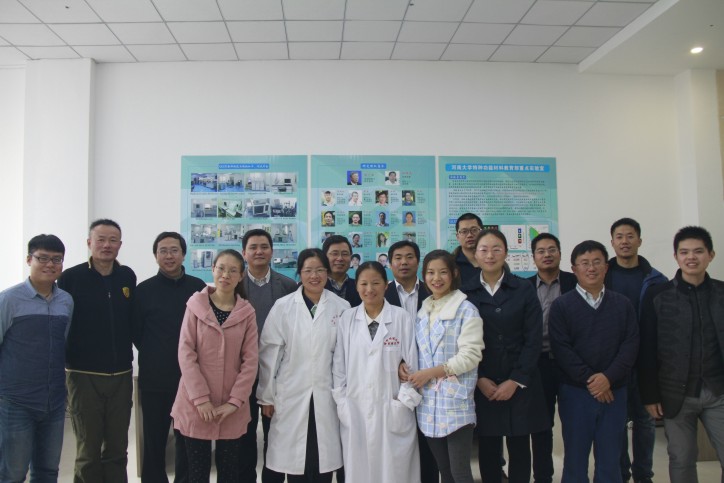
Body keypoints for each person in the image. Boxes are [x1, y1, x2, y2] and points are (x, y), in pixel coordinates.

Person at [639, 226, 724, 483]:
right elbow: (646, 347)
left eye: (698, 251)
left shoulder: (722, 292)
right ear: (675, 256)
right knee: (681, 458)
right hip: (675, 393)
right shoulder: (658, 295)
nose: (691, 257)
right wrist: (650, 395)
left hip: (718, 391)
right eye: (684, 252)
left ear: (711, 255)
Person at [549, 240, 639, 483]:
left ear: (606, 267)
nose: (591, 268)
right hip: (576, 393)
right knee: (575, 459)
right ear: (574, 269)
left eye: (597, 262)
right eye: (585, 263)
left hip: (614, 391)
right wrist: (593, 380)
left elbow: (630, 345)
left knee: (611, 458)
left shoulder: (622, 304)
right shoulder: (561, 306)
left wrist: (608, 378)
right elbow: (562, 349)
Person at [257, 249, 350, 482]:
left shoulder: (342, 307)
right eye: (308, 270)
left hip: (328, 393)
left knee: (323, 459)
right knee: (294, 461)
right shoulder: (283, 306)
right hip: (290, 392)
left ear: (327, 273)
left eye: (320, 270)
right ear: (299, 273)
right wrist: (266, 396)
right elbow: (270, 354)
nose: (314, 276)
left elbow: (348, 355)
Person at [464, 229, 549, 483]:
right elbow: (460, 343)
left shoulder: (523, 288)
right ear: (475, 255)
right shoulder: (464, 293)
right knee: (488, 447)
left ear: (506, 253)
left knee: (520, 445)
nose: (490, 255)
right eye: (484, 250)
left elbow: (533, 339)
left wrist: (516, 380)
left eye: (496, 249)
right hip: (483, 381)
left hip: (520, 381)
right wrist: (479, 378)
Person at [58, 219, 136, 483]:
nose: (106, 245)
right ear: (89, 243)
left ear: (120, 245)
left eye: (113, 240)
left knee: (117, 448)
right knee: (88, 450)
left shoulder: (127, 276)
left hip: (121, 375)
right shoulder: (70, 278)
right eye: (100, 239)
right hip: (83, 375)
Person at [171, 249, 258, 483]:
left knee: (229, 473)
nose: (225, 275)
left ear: (241, 276)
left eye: (233, 270)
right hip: (195, 403)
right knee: (197, 473)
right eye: (221, 268)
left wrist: (235, 401)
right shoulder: (195, 305)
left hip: (231, 407)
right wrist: (201, 399)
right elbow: (186, 353)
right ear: (212, 270)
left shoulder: (247, 313)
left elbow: (250, 361)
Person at [332, 262, 420, 483]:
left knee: (395, 472)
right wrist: (342, 402)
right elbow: (339, 366)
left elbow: (412, 364)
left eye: (375, 283)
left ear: (386, 285)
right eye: (363, 283)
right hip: (355, 407)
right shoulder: (347, 318)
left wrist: (403, 401)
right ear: (357, 286)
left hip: (393, 407)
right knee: (359, 470)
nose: (369, 289)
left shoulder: (401, 318)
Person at [133, 232, 207, 483]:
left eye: (174, 250)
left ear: (183, 254)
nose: (168, 256)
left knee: (187, 438)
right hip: (155, 377)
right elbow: (136, 332)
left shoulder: (198, 288)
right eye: (162, 251)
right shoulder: (143, 291)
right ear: (155, 256)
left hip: (190, 379)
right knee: (154, 439)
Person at [0, 234, 73, 483]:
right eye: (42, 258)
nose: (50, 264)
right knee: (12, 474)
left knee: (47, 472)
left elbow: (61, 343)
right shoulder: (9, 300)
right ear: (29, 259)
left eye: (57, 259)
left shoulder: (66, 301)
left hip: (54, 402)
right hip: (16, 403)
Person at [407, 250, 484, 483]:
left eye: (442, 272)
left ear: (454, 274)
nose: (436, 278)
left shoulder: (466, 309)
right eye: (430, 273)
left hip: (455, 401)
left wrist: (430, 373)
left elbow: (470, 356)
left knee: (460, 472)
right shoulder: (423, 311)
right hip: (428, 403)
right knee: (445, 470)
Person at [604, 218, 667, 483]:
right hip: (613, 361)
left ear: (640, 240)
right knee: (615, 422)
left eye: (630, 236)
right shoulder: (603, 274)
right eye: (619, 237)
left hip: (645, 362)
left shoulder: (656, 279)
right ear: (612, 242)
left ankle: (644, 475)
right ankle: (621, 473)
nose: (625, 241)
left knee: (645, 421)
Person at [239, 229, 298, 483]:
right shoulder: (235, 284)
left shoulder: (288, 286)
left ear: (272, 251)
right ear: (244, 253)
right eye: (253, 247)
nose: (259, 251)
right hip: (243, 374)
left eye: (264, 246)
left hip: (277, 374)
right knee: (244, 436)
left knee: (276, 436)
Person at [526, 233, 576, 483]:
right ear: (533, 257)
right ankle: (543, 476)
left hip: (570, 363)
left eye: (552, 249)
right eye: (541, 251)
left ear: (560, 253)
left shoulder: (575, 282)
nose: (547, 255)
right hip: (538, 363)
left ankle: (573, 475)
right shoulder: (524, 287)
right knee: (541, 425)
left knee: (574, 424)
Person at [323, 235, 362, 307]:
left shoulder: (359, 286)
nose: (340, 258)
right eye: (335, 254)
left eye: (345, 254)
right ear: (324, 257)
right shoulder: (315, 286)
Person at [452, 213, 483, 286]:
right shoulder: (451, 264)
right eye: (464, 231)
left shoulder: (494, 261)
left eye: (474, 230)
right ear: (457, 236)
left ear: (482, 232)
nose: (469, 235)